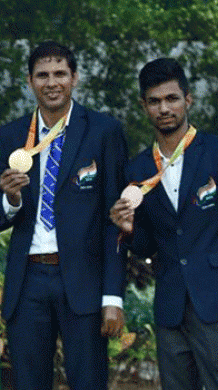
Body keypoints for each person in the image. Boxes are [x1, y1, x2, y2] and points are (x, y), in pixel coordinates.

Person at [0, 41, 128, 390]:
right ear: (29, 81)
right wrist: (12, 198)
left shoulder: (103, 131)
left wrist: (113, 296)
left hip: (83, 279)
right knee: (28, 382)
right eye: (42, 75)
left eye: (60, 74)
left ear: (75, 78)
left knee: (88, 381)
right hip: (29, 279)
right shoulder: (9, 135)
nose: (52, 82)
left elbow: (117, 219)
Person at [110, 58, 218, 390]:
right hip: (170, 305)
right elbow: (145, 246)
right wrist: (127, 228)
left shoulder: (214, 152)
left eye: (171, 98)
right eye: (155, 101)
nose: (164, 108)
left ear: (188, 99)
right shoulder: (137, 169)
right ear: (144, 106)